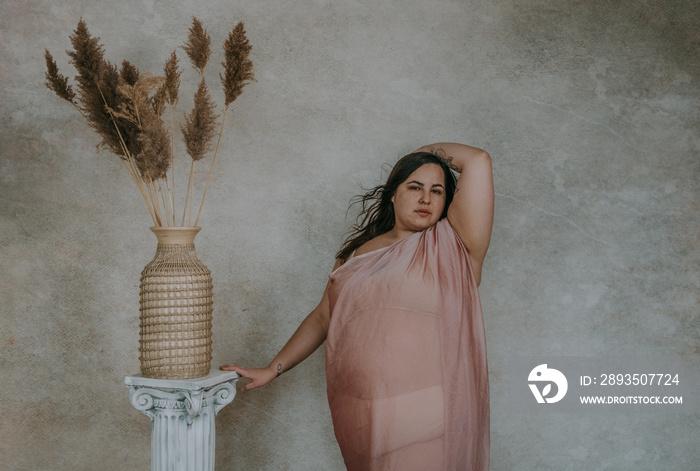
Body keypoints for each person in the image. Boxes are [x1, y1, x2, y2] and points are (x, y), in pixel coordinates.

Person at [221, 142, 494, 470]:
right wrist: (272, 368)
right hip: (359, 420)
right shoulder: (355, 253)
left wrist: (427, 154)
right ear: (393, 193)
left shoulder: (453, 247)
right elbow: (324, 316)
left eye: (437, 191)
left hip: (422, 419)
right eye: (414, 186)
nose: (425, 198)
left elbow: (478, 160)